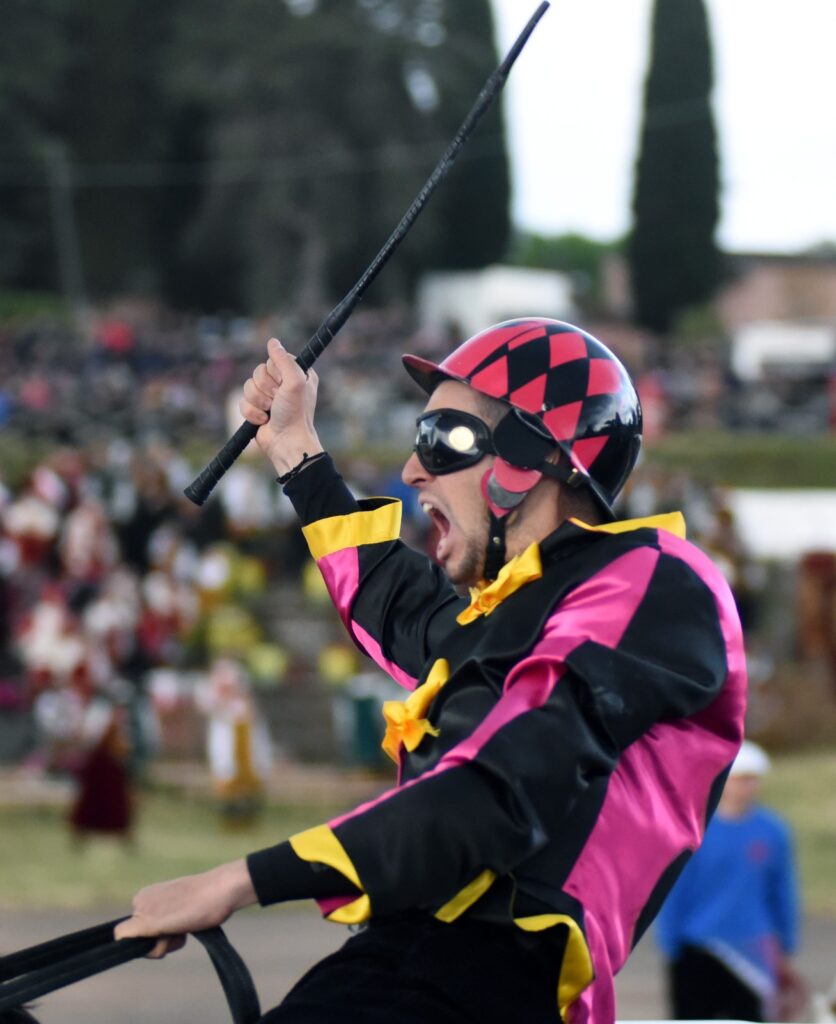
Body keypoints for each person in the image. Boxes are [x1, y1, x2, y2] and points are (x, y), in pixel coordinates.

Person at [115, 318, 748, 1023]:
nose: (413, 470)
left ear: (534, 457)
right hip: (402, 964)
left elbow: (498, 793)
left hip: (482, 983)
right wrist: (295, 449)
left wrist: (239, 880)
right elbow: (404, 611)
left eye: (441, 440)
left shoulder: (652, 580)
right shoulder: (522, 610)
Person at [655, 739, 803, 1022]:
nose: (746, 787)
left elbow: (782, 890)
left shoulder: (773, 831)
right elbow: (676, 889)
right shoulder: (695, 829)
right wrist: (672, 941)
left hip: (753, 947)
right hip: (698, 946)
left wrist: (785, 943)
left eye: (752, 780)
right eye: (739, 779)